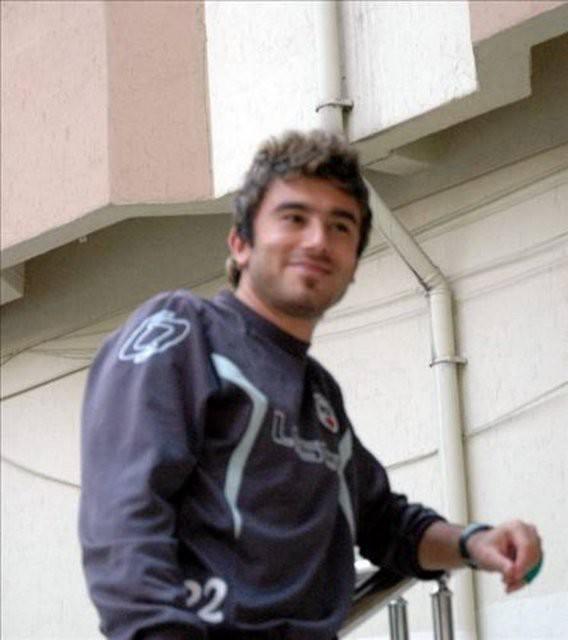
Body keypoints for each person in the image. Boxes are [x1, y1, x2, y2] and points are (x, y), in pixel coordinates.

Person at [79, 130, 542, 640]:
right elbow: (124, 522)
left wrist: (475, 543)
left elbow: (386, 524)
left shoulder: (320, 394)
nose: (319, 240)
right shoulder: (184, 332)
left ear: (354, 264)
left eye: (340, 226)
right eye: (294, 218)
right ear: (240, 243)